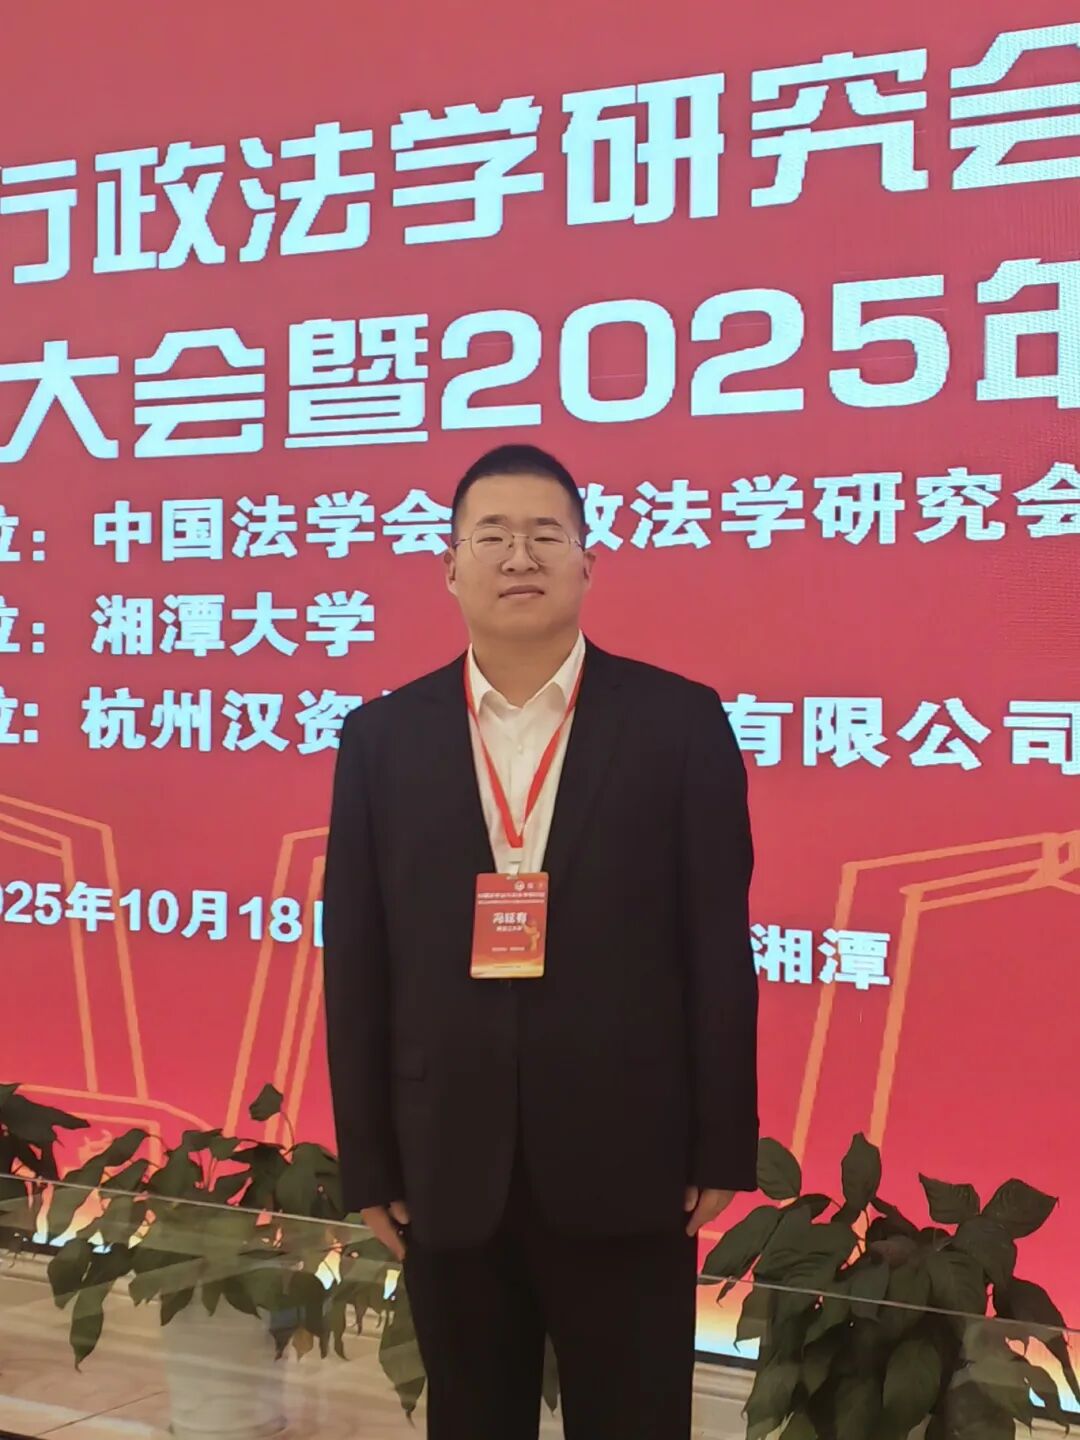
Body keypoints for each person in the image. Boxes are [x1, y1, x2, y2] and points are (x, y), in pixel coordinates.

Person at [322, 443, 758, 1440]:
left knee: (636, 1420)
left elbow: (716, 947)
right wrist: (369, 1159)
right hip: (445, 1162)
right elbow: (358, 963)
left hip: (631, 1153)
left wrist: (721, 1141)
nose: (519, 557)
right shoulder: (381, 740)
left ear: (587, 563)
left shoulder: (679, 723)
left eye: (544, 535)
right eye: (493, 536)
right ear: (449, 566)